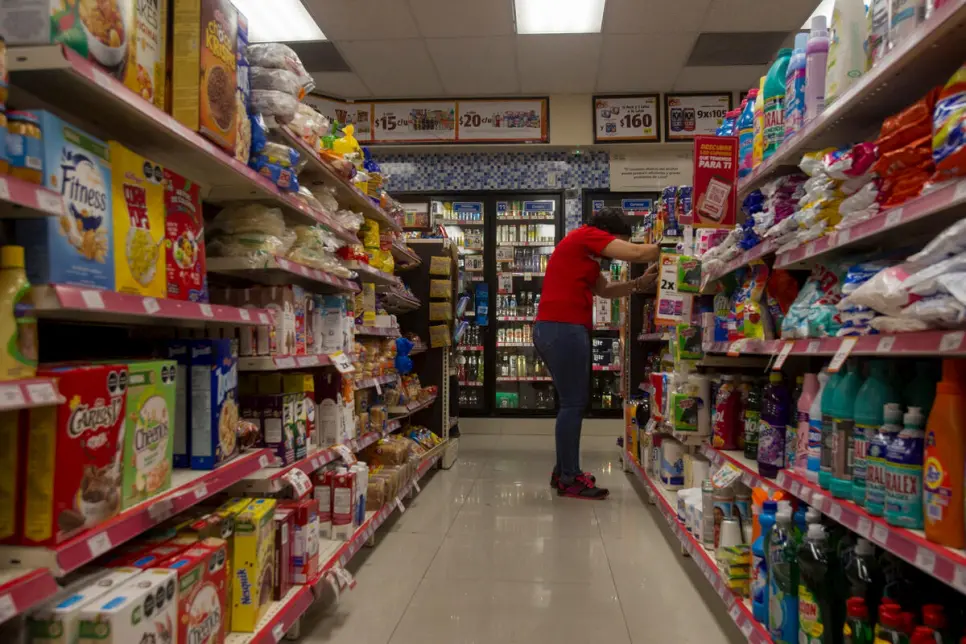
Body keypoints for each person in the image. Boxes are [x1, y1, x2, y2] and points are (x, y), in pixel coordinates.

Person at [534, 207, 659, 499]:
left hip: (558, 328)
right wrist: (672, 248)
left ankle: (563, 469)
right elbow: (638, 254)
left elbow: (604, 291)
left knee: (570, 403)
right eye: (619, 242)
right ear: (609, 234)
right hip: (562, 327)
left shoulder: (586, 257)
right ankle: (569, 477)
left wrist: (640, 283)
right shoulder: (587, 236)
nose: (615, 252)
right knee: (573, 404)